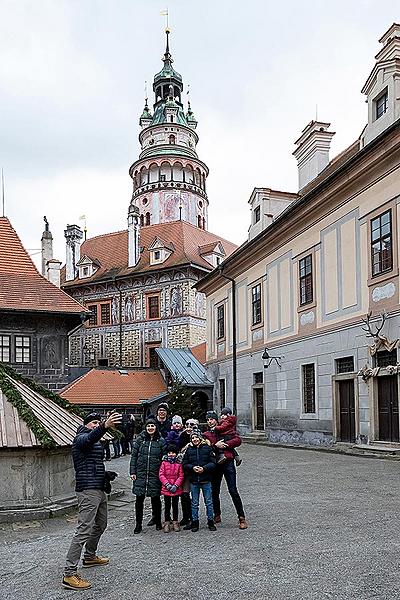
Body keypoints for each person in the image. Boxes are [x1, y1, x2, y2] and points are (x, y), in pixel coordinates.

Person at [62, 410, 122, 591]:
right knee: (83, 530)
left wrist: (104, 475)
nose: (96, 425)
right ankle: (69, 573)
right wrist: (104, 426)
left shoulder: (93, 439)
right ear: (86, 425)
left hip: (98, 487)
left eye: (98, 422)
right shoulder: (81, 437)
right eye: (93, 423)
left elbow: (91, 463)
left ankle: (89, 556)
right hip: (87, 490)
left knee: (101, 524)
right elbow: (87, 441)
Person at [204, 410, 248, 530]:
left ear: (216, 420)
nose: (210, 421)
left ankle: (241, 517)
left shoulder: (222, 429)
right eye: (208, 420)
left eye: (212, 419)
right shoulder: (207, 434)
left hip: (228, 463)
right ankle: (217, 514)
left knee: (233, 490)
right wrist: (215, 445)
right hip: (215, 464)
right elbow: (206, 447)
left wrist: (226, 445)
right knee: (214, 491)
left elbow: (238, 440)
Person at [130, 416, 166, 534]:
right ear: (146, 428)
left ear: (156, 427)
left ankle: (158, 521)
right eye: (149, 426)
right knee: (139, 499)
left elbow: (164, 458)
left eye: (153, 426)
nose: (150, 428)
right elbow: (134, 456)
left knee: (155, 499)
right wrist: (133, 471)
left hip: (154, 473)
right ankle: (138, 524)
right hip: (141, 473)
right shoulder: (140, 440)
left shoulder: (160, 441)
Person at [183, 431, 217, 532]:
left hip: (206, 479)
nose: (195, 439)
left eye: (196, 437)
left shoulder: (207, 448)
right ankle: (195, 522)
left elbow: (213, 463)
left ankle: (210, 521)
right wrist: (192, 467)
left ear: (200, 438)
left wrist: (204, 468)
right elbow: (184, 463)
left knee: (209, 502)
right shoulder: (189, 450)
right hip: (194, 480)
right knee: (194, 503)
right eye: (193, 438)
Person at [159, 443, 184, 532]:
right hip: (167, 487)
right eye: (169, 453)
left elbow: (181, 475)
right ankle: (166, 522)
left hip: (175, 488)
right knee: (167, 505)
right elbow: (161, 474)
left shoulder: (179, 464)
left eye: (173, 453)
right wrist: (167, 484)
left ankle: (175, 521)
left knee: (175, 505)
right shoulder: (164, 463)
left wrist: (176, 485)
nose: (171, 454)